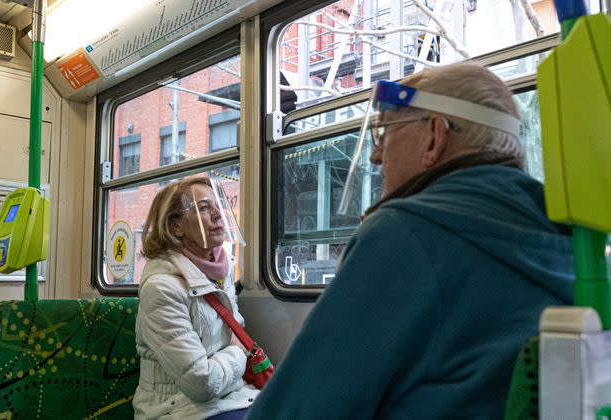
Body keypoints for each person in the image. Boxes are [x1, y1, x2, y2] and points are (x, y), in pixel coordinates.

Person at [246, 63, 574, 419]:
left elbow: (295, 411)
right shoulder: (569, 238)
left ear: (434, 135)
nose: (375, 154)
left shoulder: (404, 233)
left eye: (385, 132)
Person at [133, 177, 258, 420]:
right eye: (203, 207)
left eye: (217, 205)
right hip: (178, 409)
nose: (218, 215)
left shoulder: (218, 273)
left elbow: (235, 337)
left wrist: (236, 350)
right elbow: (201, 382)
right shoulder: (161, 289)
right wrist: (237, 352)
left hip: (230, 396)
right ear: (176, 226)